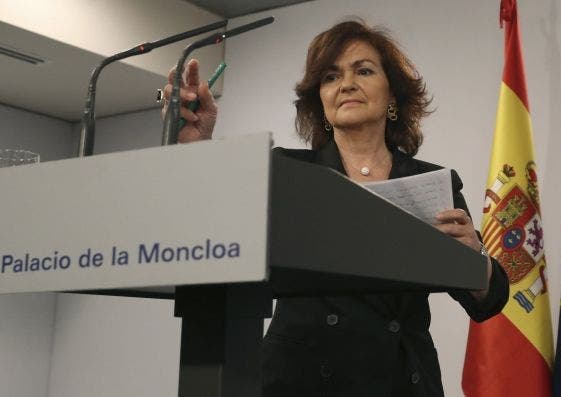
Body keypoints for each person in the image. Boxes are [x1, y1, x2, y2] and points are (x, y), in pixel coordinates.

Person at [161, 19, 509, 397]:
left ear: (392, 95)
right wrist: (195, 149)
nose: (346, 84)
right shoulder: (285, 172)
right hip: (301, 379)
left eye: (363, 70)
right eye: (330, 77)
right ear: (320, 100)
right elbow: (213, 230)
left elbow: (486, 302)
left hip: (401, 381)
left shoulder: (434, 181)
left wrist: (476, 260)